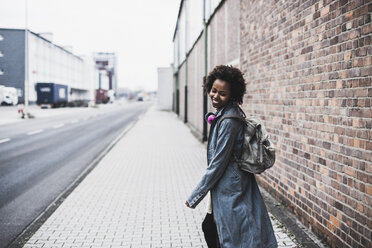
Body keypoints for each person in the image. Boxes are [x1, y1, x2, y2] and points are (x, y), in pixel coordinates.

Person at [185, 65, 278, 248]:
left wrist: (196, 195)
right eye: (213, 91)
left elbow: (218, 163)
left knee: (234, 235)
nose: (215, 96)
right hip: (226, 184)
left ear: (232, 95)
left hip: (231, 187)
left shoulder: (229, 121)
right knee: (217, 229)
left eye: (222, 94)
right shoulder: (224, 113)